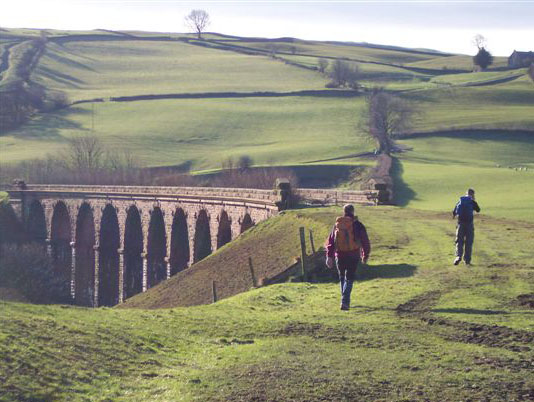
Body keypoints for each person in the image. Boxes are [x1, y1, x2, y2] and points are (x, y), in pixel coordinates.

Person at [325, 204, 371, 311]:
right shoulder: (358, 225)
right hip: (353, 255)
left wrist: (329, 256)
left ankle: (344, 300)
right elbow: (365, 241)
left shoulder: (337, 224)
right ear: (353, 212)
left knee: (342, 278)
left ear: (344, 211)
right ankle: (345, 302)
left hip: (340, 255)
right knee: (349, 278)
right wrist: (365, 254)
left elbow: (331, 241)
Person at [452, 188, 481, 266]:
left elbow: (454, 212)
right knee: (469, 242)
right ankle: (467, 260)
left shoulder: (460, 201)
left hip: (460, 223)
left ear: (466, 193)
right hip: (469, 224)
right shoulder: (472, 202)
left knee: (459, 241)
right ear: (473, 194)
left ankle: (458, 256)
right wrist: (474, 202)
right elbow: (478, 210)